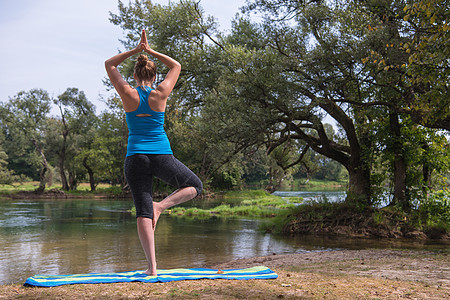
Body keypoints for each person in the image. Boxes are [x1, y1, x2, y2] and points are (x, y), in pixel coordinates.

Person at [105, 29, 202, 276]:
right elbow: (176, 65)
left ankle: (152, 268)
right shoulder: (161, 93)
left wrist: (136, 50)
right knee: (194, 186)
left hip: (135, 157)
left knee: (143, 211)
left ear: (134, 75)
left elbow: (109, 64)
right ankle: (162, 206)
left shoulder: (127, 93)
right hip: (161, 155)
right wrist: (150, 51)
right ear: (154, 74)